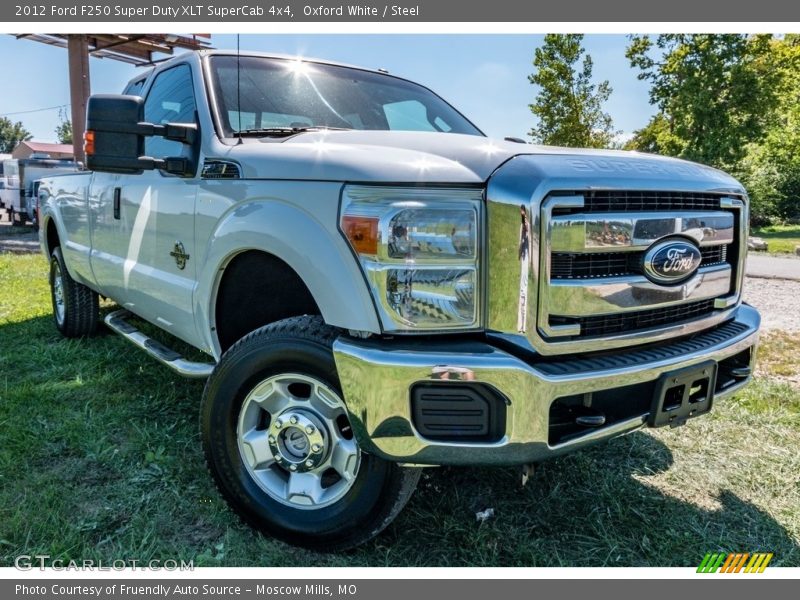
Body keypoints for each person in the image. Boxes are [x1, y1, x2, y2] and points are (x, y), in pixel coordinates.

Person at [517, 204, 531, 333]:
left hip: (530, 264)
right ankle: (521, 326)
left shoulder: (532, 228)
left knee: (525, 292)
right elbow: (519, 251)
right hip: (525, 263)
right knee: (523, 292)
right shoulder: (523, 227)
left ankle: (524, 326)